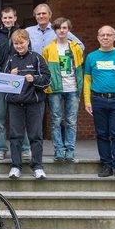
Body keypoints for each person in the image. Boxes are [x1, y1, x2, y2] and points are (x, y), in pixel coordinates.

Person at [84, 25, 115, 179]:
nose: (105, 37)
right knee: (102, 134)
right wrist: (87, 101)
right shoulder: (92, 57)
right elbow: (87, 80)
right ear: (98, 38)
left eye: (108, 35)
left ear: (114, 37)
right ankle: (106, 166)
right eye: (102, 35)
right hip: (98, 99)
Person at [5, 29, 51, 180]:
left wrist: (35, 79)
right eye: (16, 43)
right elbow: (2, 82)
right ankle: (15, 166)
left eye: (21, 43)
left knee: (36, 135)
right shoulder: (10, 60)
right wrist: (9, 76)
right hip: (15, 104)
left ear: (28, 42)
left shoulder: (37, 58)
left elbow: (47, 79)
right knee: (15, 136)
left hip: (34, 103)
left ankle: (37, 166)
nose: (19, 46)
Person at [42, 17, 84, 162]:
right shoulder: (48, 49)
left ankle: (70, 150)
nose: (61, 30)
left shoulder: (76, 48)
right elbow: (45, 69)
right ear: (55, 30)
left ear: (69, 30)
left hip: (72, 87)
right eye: (59, 28)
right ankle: (59, 150)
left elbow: (79, 67)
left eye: (64, 28)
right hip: (55, 88)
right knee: (56, 120)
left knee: (71, 121)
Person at [0, 6, 21, 160]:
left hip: (17, 82)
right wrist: (3, 74)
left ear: (15, 18)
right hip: (0, 82)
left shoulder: (21, 34)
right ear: (2, 19)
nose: (8, 20)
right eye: (5, 18)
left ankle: (23, 147)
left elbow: (26, 55)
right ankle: (0, 148)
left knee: (19, 116)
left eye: (10, 17)